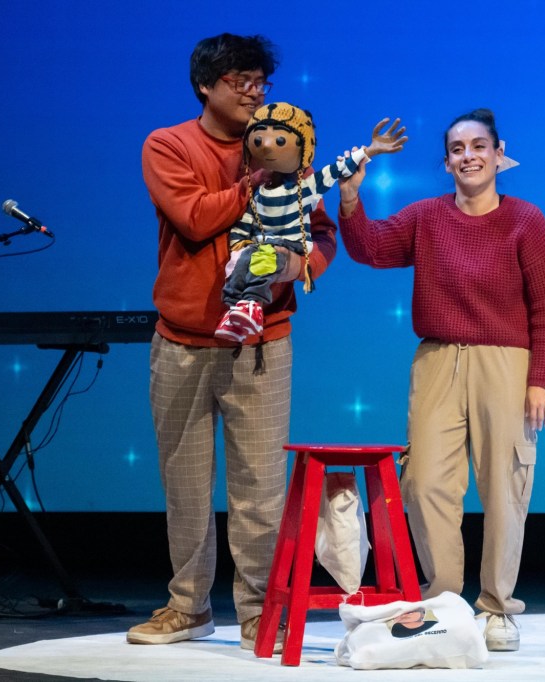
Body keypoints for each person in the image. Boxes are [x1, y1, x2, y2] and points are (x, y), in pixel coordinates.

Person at [127, 33, 333, 652]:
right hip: (183, 342)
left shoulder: (285, 142)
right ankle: (188, 606)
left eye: (260, 82)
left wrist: (300, 266)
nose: (254, 93)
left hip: (262, 343)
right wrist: (260, 178)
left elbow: (320, 233)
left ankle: (259, 613)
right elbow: (194, 218)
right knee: (186, 486)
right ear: (205, 86)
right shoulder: (169, 144)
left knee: (260, 489)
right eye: (240, 82)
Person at [337, 108, 545, 652]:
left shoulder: (525, 220)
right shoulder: (427, 217)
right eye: (458, 149)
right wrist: (349, 196)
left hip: (505, 363)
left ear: (498, 154)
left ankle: (497, 608)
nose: (469, 156)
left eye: (479, 146)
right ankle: (444, 604)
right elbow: (370, 247)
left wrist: (542, 380)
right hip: (438, 360)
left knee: (504, 486)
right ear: (446, 163)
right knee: (423, 482)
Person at [215, 105, 407, 342]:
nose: (267, 146)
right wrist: (238, 242)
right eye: (259, 139)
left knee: (265, 259)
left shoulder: (305, 187)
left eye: (280, 140)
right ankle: (234, 308)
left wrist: (370, 150)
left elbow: (335, 170)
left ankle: (252, 304)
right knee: (242, 261)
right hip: (262, 242)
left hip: (290, 244)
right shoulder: (259, 191)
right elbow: (248, 219)